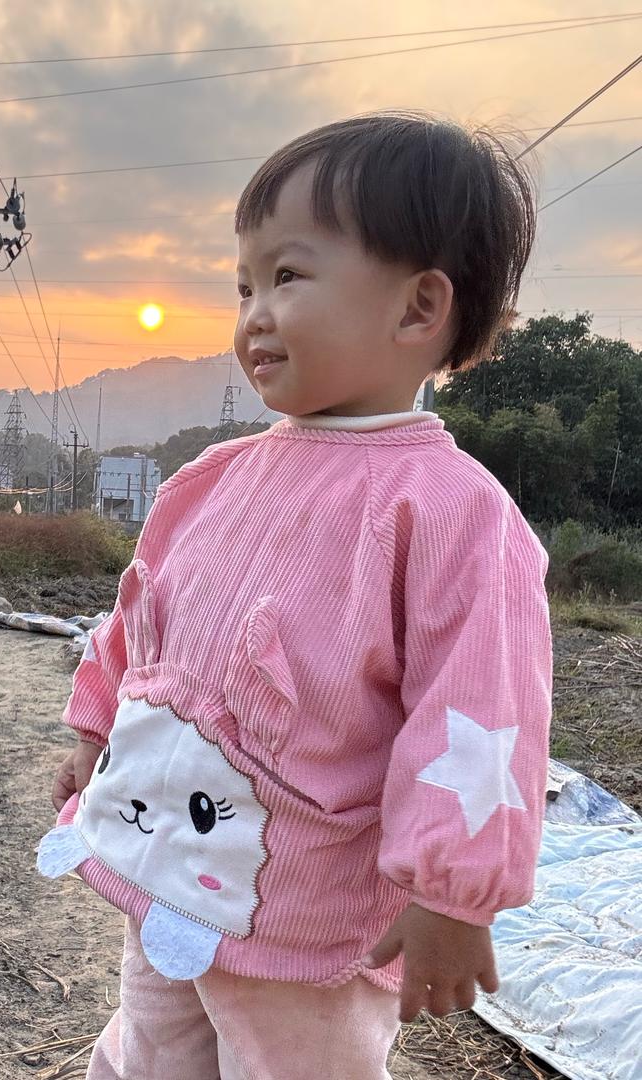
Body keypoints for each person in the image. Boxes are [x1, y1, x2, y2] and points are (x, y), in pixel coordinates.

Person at [37, 111, 552, 1080]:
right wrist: (95, 731)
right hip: (168, 873)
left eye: (287, 277)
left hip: (305, 914)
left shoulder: (451, 517)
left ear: (418, 308)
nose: (253, 315)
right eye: (243, 286)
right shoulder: (209, 478)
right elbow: (141, 618)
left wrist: (451, 891)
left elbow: (480, 715)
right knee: (151, 1046)